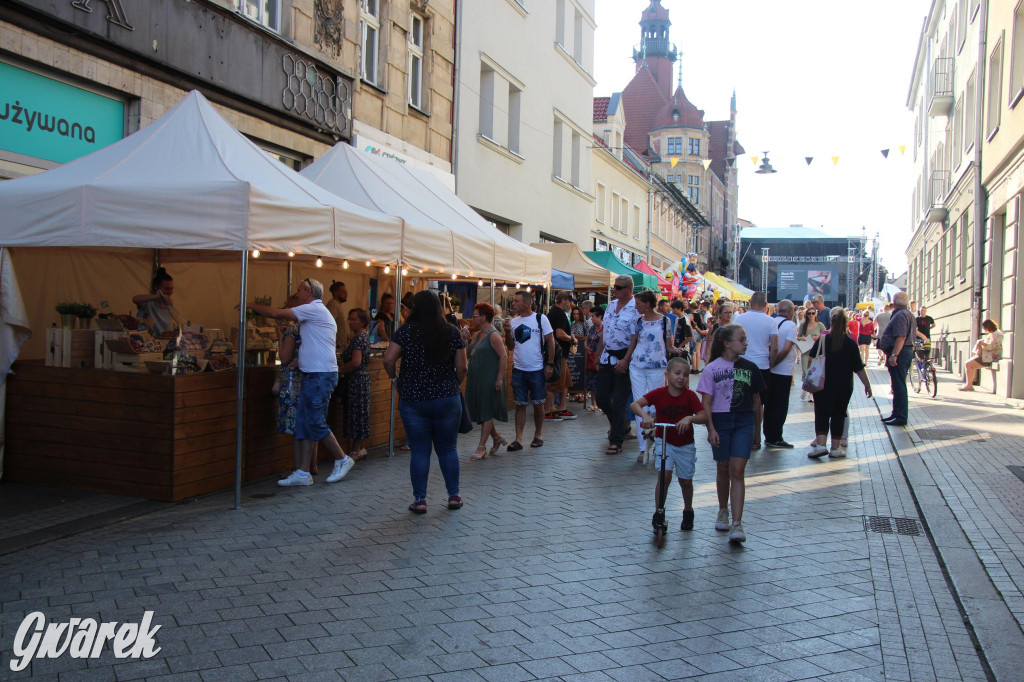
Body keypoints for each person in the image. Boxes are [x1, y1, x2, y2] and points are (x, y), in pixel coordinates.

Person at [244, 278, 355, 486]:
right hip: (314, 373)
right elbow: (317, 343)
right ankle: (303, 472)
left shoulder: (313, 309)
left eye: (299, 292)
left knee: (314, 421)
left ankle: (342, 458)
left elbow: (277, 313)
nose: (296, 295)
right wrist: (299, 360)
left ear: (308, 292)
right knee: (303, 421)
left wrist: (250, 305)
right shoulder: (316, 312)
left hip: (320, 375)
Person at [383, 290, 467, 513]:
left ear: (415, 308)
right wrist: (453, 383)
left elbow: (389, 358)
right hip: (447, 397)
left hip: (413, 398)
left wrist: (394, 379)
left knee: (420, 451)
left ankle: (420, 499)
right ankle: (454, 495)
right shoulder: (451, 332)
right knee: (448, 449)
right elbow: (462, 367)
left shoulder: (405, 332)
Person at [696, 324, 766, 544]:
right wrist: (711, 429)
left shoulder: (751, 368)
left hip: (744, 420)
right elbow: (705, 401)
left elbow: (757, 401)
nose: (746, 343)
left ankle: (737, 522)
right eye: (741, 339)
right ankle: (722, 509)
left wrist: (758, 429)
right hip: (721, 420)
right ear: (727, 344)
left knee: (738, 470)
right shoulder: (712, 368)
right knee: (723, 467)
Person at [631, 357, 707, 532]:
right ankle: (659, 513)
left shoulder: (689, 396)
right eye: (677, 373)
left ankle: (688, 510)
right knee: (663, 477)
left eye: (686, 375)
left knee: (685, 481)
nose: (681, 377)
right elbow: (635, 404)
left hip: (685, 444)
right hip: (664, 441)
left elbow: (703, 416)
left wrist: (690, 418)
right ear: (667, 375)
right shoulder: (658, 393)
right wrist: (645, 416)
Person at [807, 308, 873, 459]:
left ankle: (820, 446)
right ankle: (835, 448)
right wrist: (867, 385)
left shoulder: (823, 340)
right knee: (839, 414)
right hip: (843, 385)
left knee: (821, 413)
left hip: (822, 383)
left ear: (831, 322)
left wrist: (810, 373)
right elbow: (859, 368)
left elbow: (811, 359)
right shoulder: (850, 344)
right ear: (846, 323)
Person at [624, 290, 674, 462]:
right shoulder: (638, 321)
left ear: (647, 303)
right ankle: (642, 447)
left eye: (638, 303)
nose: (636, 306)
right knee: (639, 405)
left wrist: (676, 351)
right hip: (637, 365)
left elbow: (669, 345)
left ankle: (656, 443)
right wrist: (626, 359)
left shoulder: (665, 321)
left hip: (657, 366)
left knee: (655, 407)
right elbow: (633, 343)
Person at [503, 290, 556, 451]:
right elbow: (511, 346)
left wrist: (550, 364)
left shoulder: (540, 319)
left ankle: (538, 435)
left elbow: (551, 342)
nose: (513, 304)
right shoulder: (513, 322)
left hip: (537, 369)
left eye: (516, 301)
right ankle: (519, 438)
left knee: (538, 404)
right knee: (520, 404)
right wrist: (506, 331)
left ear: (526, 303)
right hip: (519, 369)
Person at [595, 276, 640, 455]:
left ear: (629, 289)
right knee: (602, 399)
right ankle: (619, 426)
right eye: (614, 287)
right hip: (607, 356)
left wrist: (626, 360)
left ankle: (616, 441)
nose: (615, 290)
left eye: (619, 288)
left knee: (621, 400)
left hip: (624, 357)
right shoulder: (612, 305)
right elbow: (605, 332)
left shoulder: (636, 307)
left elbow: (635, 337)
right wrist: (598, 354)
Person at [274, 304, 319, 475]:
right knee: (310, 426)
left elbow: (284, 357)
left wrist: (281, 338)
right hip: (311, 378)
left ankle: (301, 467)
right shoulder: (312, 329)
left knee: (297, 428)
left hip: (294, 381)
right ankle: (312, 465)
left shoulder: (292, 330)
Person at [734, 292, 778, 450]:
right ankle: (756, 436)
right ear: (765, 305)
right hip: (762, 366)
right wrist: (770, 364)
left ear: (750, 302)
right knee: (758, 403)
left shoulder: (739, 318)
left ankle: (742, 434)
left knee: (740, 400)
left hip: (741, 363)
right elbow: (775, 347)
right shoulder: (771, 321)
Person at [465, 302, 509, 458]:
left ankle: (481, 447)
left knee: (487, 411)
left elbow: (503, 356)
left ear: (483, 318)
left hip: (489, 378)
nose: (472, 318)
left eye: (475, 315)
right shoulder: (478, 335)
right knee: (482, 410)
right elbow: (469, 354)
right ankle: (496, 438)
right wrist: (466, 338)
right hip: (477, 378)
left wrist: (499, 379)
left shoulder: (494, 335)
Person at [337, 308, 371, 460]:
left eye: (354, 319)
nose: (351, 322)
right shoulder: (363, 336)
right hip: (362, 379)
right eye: (349, 319)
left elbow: (356, 362)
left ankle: (355, 450)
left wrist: (340, 370)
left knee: (356, 413)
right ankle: (360, 447)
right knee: (361, 413)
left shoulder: (358, 338)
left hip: (356, 380)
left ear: (362, 321)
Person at [877, 292, 915, 426]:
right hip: (903, 352)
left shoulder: (900, 315)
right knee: (897, 385)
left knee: (899, 386)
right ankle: (896, 413)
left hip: (900, 353)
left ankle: (900, 416)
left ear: (894, 302)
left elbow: (901, 337)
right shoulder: (907, 313)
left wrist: (894, 355)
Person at [765, 299, 798, 449]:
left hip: (769, 370)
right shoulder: (791, 325)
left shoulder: (770, 322)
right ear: (791, 311)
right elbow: (785, 348)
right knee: (780, 405)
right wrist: (774, 363)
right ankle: (776, 436)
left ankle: (768, 434)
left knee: (770, 404)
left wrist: (769, 364)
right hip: (782, 371)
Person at [545, 292, 576, 421]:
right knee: (554, 382)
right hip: (558, 354)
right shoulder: (558, 313)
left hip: (560, 353)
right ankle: (547, 411)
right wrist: (572, 339)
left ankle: (562, 408)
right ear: (563, 300)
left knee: (565, 382)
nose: (571, 304)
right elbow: (559, 333)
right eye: (569, 301)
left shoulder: (554, 312)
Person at [132, 267, 178, 336]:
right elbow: (135, 299)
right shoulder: (148, 302)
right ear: (156, 287)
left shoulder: (169, 305)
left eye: (171, 289)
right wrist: (157, 296)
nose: (169, 292)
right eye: (166, 289)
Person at [959, 319, 1003, 391]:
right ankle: (969, 384)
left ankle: (969, 385)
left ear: (988, 327)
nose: (985, 330)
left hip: (990, 357)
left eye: (985, 329)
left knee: (968, 364)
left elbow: (991, 347)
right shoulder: (992, 334)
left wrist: (982, 343)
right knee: (968, 364)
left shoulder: (997, 334)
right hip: (986, 355)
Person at [797, 307, 826, 401]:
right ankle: (806, 389)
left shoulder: (820, 325)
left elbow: (825, 335)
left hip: (816, 351)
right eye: (809, 313)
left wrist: (816, 337)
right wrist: (803, 338)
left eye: (813, 313)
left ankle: (810, 392)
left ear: (816, 314)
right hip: (806, 350)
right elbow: (798, 336)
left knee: (814, 371)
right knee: (806, 371)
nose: (811, 315)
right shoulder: (803, 324)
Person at [584, 305, 604, 411]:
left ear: (600, 317)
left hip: (601, 359)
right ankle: (594, 404)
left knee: (601, 382)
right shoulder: (592, 328)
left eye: (593, 317)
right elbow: (587, 339)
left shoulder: (605, 328)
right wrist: (586, 347)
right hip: (591, 358)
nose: (591, 319)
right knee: (592, 382)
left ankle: (601, 404)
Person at [327, 281, 348, 349]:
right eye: (343, 292)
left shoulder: (337, 305)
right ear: (335, 293)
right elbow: (328, 323)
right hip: (336, 346)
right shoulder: (334, 304)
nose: (346, 294)